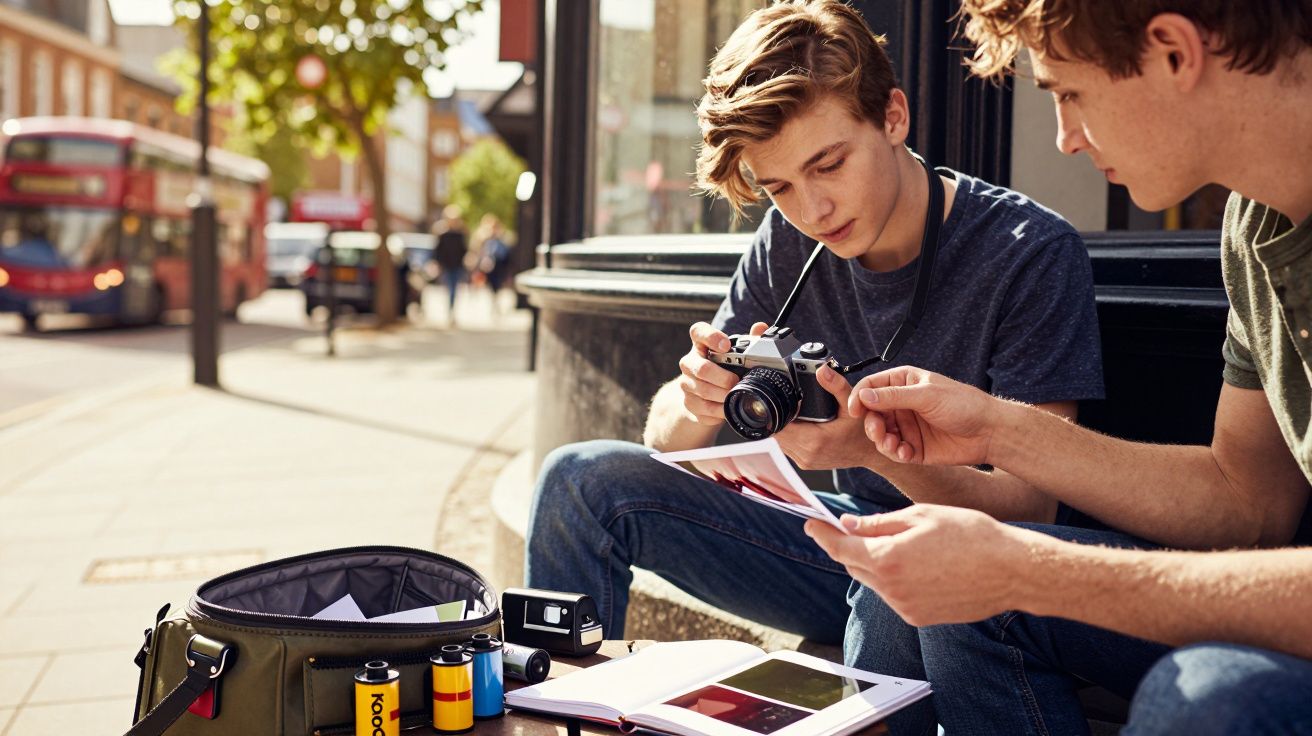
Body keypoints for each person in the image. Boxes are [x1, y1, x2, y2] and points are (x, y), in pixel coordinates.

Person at [526, 0, 1104, 666]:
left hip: (959, 561)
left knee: (898, 578)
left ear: (893, 116)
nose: (812, 209)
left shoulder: (1027, 251)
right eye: (779, 187)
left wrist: (871, 450)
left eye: (829, 165)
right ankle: (552, 704)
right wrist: (694, 401)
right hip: (826, 541)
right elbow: (662, 439)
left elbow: (1030, 509)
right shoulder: (789, 239)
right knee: (579, 481)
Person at [805, 2, 1312, 734]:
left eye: (1069, 95)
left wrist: (1030, 569)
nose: (1066, 140)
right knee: (973, 595)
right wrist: (993, 430)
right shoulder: (1254, 223)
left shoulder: (1025, 243)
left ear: (1173, 51)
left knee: (1206, 696)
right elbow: (1250, 508)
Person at [431, 204, 468, 326]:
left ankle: (452, 310)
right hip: (446, 265)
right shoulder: (442, 234)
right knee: (450, 288)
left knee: (454, 288)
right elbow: (438, 251)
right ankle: (450, 310)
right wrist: (438, 263)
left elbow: (464, 250)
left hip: (457, 265)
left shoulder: (460, 234)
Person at [473, 213, 513, 312]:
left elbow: (507, 251)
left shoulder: (501, 237)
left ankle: (495, 300)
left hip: (499, 264)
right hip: (486, 265)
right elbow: (477, 250)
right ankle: (493, 300)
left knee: (497, 283)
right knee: (489, 283)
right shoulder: (483, 237)